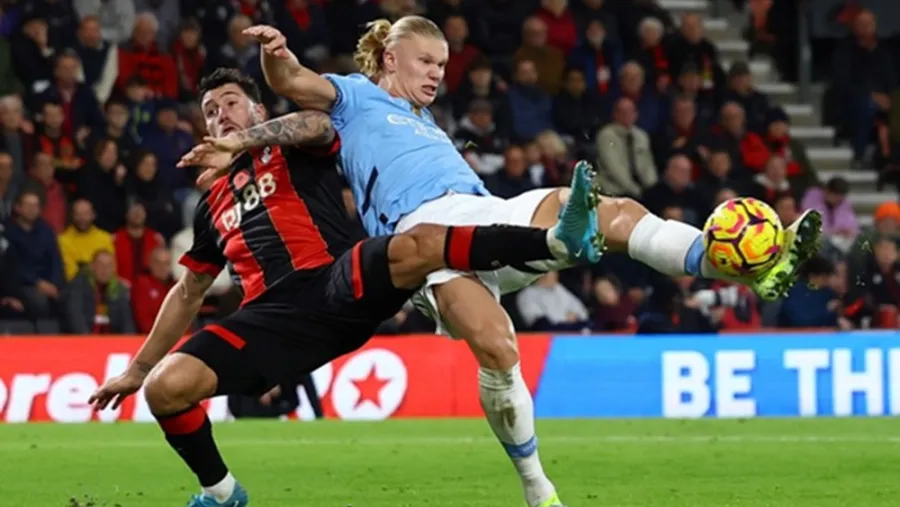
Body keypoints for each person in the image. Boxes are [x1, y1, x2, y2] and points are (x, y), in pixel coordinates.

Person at [200, 19, 822, 507]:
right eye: (425, 62)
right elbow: (292, 81)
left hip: (488, 212)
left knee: (620, 211)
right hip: (427, 238)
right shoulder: (356, 97)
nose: (437, 74)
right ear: (390, 58)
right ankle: (537, 489)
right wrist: (275, 52)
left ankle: (744, 266)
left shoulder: (424, 120)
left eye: (442, 65)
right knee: (498, 348)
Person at [87, 68, 601, 507]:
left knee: (419, 243)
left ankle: (554, 241)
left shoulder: (288, 147)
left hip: (336, 281)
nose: (221, 114)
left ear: (258, 110)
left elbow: (319, 124)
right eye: (210, 110)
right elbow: (189, 291)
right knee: (166, 389)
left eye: (231, 103)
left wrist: (246, 140)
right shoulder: (210, 205)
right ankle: (222, 493)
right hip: (271, 321)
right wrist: (137, 370)